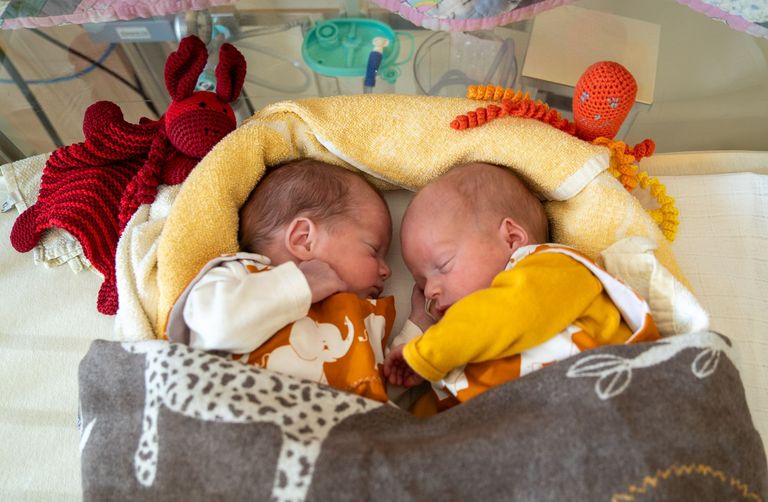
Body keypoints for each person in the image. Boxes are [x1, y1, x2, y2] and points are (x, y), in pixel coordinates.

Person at [382, 162, 659, 413]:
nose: (429, 291)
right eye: (421, 283)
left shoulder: (553, 268)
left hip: (604, 405)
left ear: (512, 238)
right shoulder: (456, 349)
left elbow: (510, 311)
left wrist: (424, 352)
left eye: (443, 265)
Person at [166, 158, 395, 402]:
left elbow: (390, 384)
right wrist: (300, 285)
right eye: (373, 250)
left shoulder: (362, 316)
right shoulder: (238, 275)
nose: (387, 271)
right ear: (303, 239)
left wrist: (419, 326)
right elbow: (216, 326)